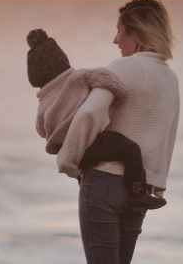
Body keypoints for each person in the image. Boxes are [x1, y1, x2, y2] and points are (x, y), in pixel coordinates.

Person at [57, 0, 180, 264]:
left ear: (137, 34)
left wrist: (69, 161)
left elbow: (88, 113)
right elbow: (167, 137)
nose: (115, 40)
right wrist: (157, 185)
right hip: (139, 191)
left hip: (104, 183)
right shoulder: (170, 78)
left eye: (120, 31)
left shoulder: (123, 68)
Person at [27, 29, 165, 210]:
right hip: (92, 140)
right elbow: (108, 80)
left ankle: (88, 191)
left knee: (86, 176)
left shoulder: (43, 103)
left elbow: (41, 130)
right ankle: (136, 193)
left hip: (71, 151)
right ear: (62, 59)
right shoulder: (79, 77)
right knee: (130, 149)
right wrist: (118, 97)